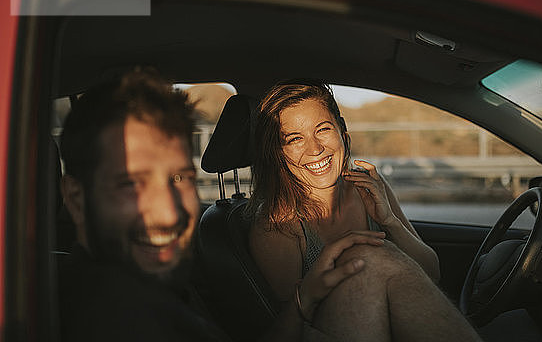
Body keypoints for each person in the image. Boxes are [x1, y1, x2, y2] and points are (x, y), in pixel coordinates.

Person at [58, 69, 386, 342]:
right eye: (132, 184)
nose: (169, 211)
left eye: (179, 178)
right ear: (75, 199)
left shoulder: (151, 296)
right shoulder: (109, 319)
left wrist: (306, 297)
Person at [248, 80, 481, 341]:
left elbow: (432, 273)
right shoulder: (277, 226)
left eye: (323, 129)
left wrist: (390, 222)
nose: (315, 149)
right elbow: (288, 330)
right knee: (366, 256)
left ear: (341, 133)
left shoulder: (368, 188)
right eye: (294, 139)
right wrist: (312, 292)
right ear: (277, 154)